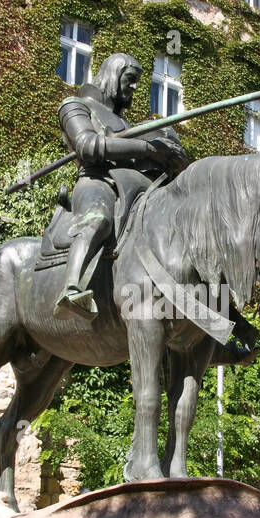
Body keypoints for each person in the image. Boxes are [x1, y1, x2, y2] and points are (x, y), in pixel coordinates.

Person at [54, 53, 188, 320]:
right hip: (97, 181)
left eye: (138, 81)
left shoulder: (130, 126)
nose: (135, 87)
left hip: (136, 191)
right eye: (130, 79)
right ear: (113, 76)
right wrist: (148, 148)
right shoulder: (75, 106)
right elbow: (88, 146)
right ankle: (71, 289)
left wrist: (168, 154)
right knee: (98, 219)